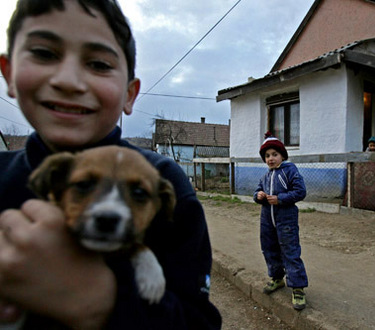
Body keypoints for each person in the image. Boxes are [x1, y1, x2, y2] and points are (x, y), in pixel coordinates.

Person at [0, 0, 221, 328]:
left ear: (130, 94)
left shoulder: (165, 180)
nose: (69, 81)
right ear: (10, 75)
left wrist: (101, 301)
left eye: (99, 63)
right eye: (45, 53)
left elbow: (198, 321)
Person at [253, 132, 308, 310]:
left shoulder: (290, 170)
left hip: (286, 221)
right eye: (267, 156)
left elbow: (300, 191)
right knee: (269, 249)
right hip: (267, 220)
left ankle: (298, 287)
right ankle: (277, 278)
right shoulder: (266, 176)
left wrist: (280, 198)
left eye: (274, 155)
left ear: (282, 155)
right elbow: (257, 192)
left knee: (290, 251)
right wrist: (258, 195)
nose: (271, 159)